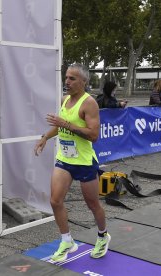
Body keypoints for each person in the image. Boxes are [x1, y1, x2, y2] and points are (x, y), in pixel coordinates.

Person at [34, 63, 110, 262]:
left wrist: (65, 124)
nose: (67, 82)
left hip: (84, 162)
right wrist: (45, 137)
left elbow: (93, 135)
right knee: (55, 201)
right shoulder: (64, 99)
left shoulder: (89, 103)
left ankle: (103, 235)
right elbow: (60, 128)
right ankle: (67, 240)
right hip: (64, 159)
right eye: (66, 77)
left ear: (84, 82)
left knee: (92, 204)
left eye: (72, 79)